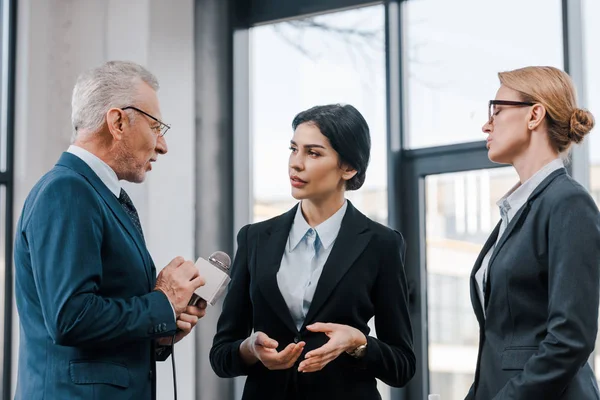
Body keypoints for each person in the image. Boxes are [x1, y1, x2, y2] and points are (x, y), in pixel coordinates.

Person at [14, 61, 206, 400]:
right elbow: (71, 318)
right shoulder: (68, 191)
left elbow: (95, 317)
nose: (162, 145)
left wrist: (159, 330)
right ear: (117, 122)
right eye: (156, 126)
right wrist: (162, 303)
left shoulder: (93, 193)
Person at [210, 104, 415, 399]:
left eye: (313, 153)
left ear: (349, 167)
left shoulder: (381, 244)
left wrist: (359, 343)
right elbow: (221, 355)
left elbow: (402, 366)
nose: (296, 163)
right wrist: (250, 349)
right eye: (294, 149)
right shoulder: (255, 239)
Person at [466, 66, 600, 399]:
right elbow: (502, 343)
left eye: (496, 110)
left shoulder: (569, 203)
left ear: (534, 115)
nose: (487, 124)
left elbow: (570, 339)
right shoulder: (517, 210)